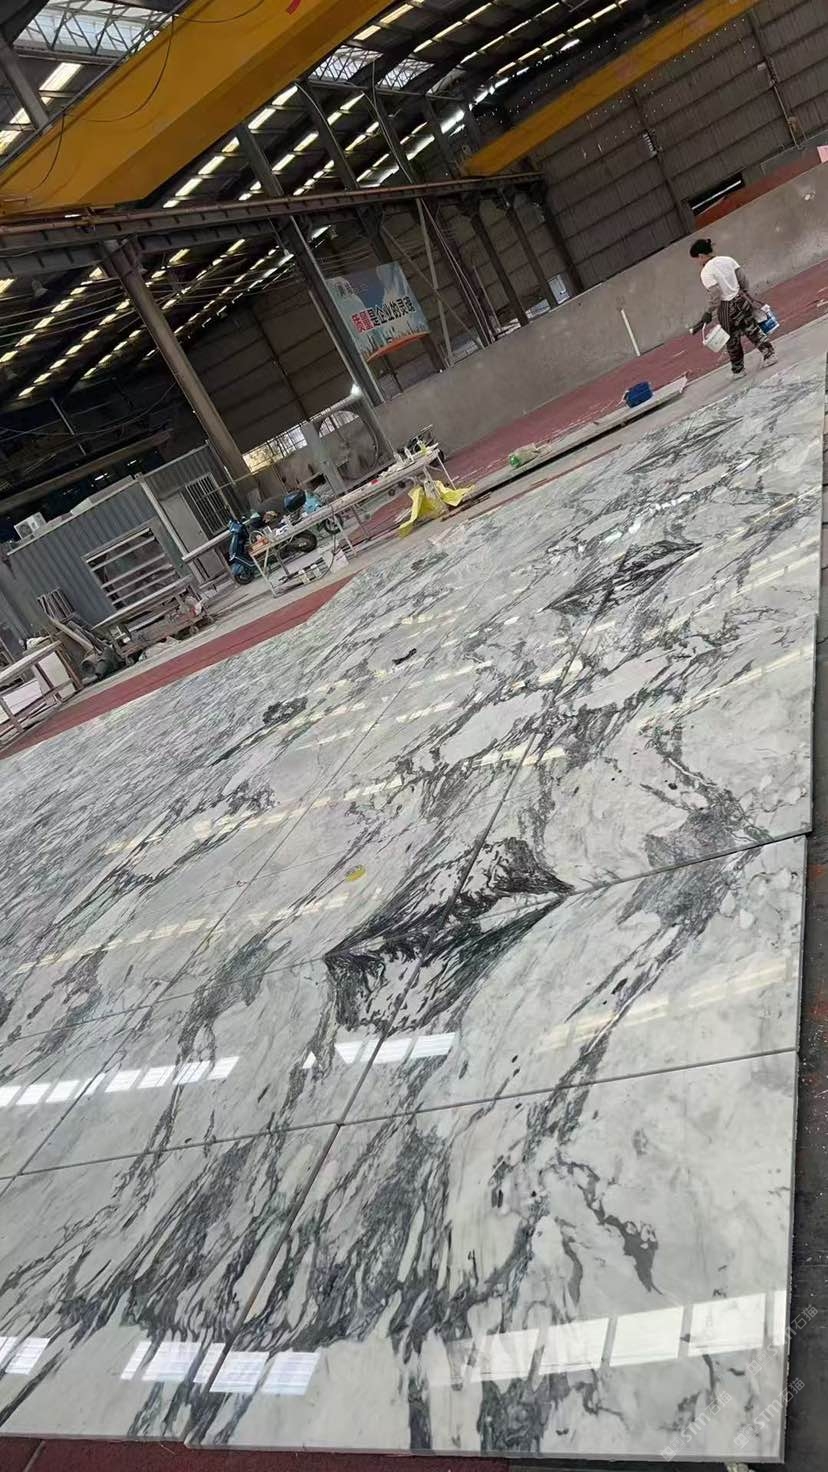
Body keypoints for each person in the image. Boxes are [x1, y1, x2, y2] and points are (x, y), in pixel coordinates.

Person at [689, 239, 775, 376]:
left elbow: (716, 294)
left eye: (696, 260)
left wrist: (709, 312)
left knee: (731, 339)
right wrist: (744, 293)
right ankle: (769, 355)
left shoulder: (706, 272)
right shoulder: (728, 260)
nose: (697, 263)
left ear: (701, 256)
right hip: (741, 300)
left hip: (726, 307)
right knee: (753, 329)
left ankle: (738, 370)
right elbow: (743, 279)